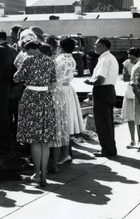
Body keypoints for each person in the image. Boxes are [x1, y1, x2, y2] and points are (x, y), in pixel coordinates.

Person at [14, 40, 57, 187]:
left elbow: (16, 78)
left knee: (34, 139)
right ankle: (44, 174)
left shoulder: (28, 60)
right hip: (45, 98)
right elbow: (53, 83)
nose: (26, 53)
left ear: (32, 49)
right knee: (44, 140)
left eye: (27, 50)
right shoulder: (49, 61)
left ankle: (37, 174)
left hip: (31, 97)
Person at [85, 37, 119, 158]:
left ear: (103, 46)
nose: (95, 48)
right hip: (109, 90)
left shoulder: (104, 60)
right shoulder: (111, 58)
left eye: (96, 45)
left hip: (102, 91)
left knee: (102, 122)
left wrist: (89, 81)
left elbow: (100, 79)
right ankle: (110, 148)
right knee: (108, 121)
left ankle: (106, 150)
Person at [55, 36, 84, 164]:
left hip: (60, 90)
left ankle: (63, 154)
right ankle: (65, 153)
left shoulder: (59, 59)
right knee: (66, 121)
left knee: (61, 122)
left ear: (60, 47)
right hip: (69, 89)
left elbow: (56, 77)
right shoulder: (72, 58)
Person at [40, 42, 69, 173]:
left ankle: (44, 166)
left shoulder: (46, 65)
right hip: (59, 98)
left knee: (46, 131)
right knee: (57, 131)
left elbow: (50, 84)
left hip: (49, 98)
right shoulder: (55, 63)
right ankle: (54, 164)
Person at [0, 31, 17, 154]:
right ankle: (7, 142)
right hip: (10, 86)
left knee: (0, 114)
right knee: (7, 114)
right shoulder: (12, 48)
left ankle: (0, 143)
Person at [121, 48, 140, 148]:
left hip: (138, 91)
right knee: (130, 117)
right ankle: (132, 139)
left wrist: (133, 77)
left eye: (133, 58)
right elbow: (124, 78)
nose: (130, 60)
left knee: (139, 118)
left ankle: (139, 140)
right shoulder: (126, 63)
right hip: (130, 91)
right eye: (129, 57)